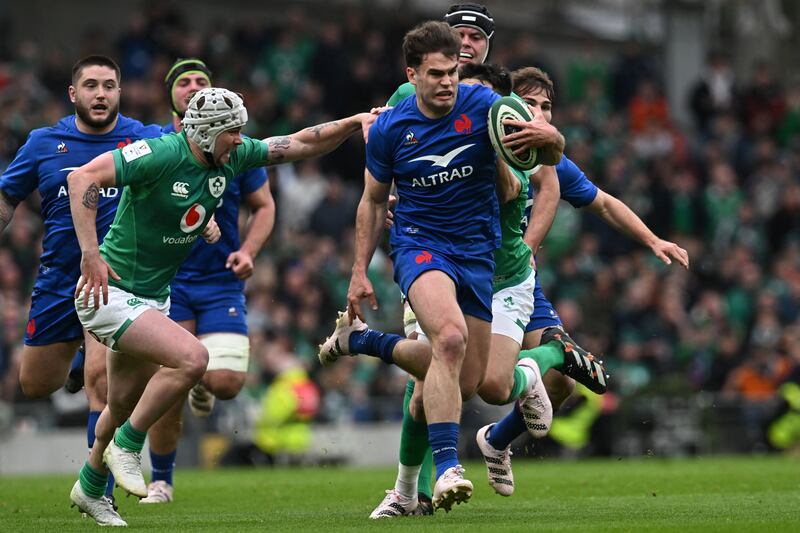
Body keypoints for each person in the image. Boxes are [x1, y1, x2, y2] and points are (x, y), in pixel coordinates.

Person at [67, 86, 381, 526]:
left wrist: (353, 122)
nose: (240, 139)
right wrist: (90, 254)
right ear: (208, 132)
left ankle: (90, 487)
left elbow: (303, 142)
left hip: (152, 297)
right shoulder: (159, 153)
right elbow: (81, 178)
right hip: (108, 292)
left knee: (119, 405)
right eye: (233, 132)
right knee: (193, 358)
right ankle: (128, 446)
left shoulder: (230, 157)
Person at [321, 21, 563, 513]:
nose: (447, 81)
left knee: (471, 381)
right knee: (448, 339)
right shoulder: (390, 127)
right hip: (419, 247)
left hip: (476, 252)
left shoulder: (490, 109)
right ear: (412, 75)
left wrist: (549, 137)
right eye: (435, 74)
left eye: (452, 72)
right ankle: (449, 466)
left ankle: (361, 340)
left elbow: (549, 160)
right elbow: (370, 202)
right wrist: (358, 270)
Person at [475, 66, 689, 497]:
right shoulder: (477, 149)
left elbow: (605, 204)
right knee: (469, 380)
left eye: (546, 106)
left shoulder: (553, 164)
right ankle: (421, 478)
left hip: (517, 283)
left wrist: (652, 239)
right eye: (530, 103)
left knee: (561, 384)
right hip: (468, 278)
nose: (539, 113)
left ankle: (495, 441)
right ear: (506, 109)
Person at [0, 55, 163, 516]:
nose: (100, 93)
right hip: (57, 280)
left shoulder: (145, 137)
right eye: (90, 85)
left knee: (102, 385)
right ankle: (73, 361)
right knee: (35, 384)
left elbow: (185, 172)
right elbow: (7, 196)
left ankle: (99, 493)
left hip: (114, 280)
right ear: (74, 94)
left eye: (109, 85)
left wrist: (206, 220)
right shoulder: (43, 143)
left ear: (119, 92)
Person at [145, 58, 275, 504]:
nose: (193, 87)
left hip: (221, 281)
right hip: (169, 279)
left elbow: (264, 206)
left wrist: (249, 251)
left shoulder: (235, 148)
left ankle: (203, 380)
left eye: (202, 81)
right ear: (171, 96)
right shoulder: (155, 144)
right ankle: (161, 479)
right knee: (170, 378)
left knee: (227, 383)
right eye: (184, 82)